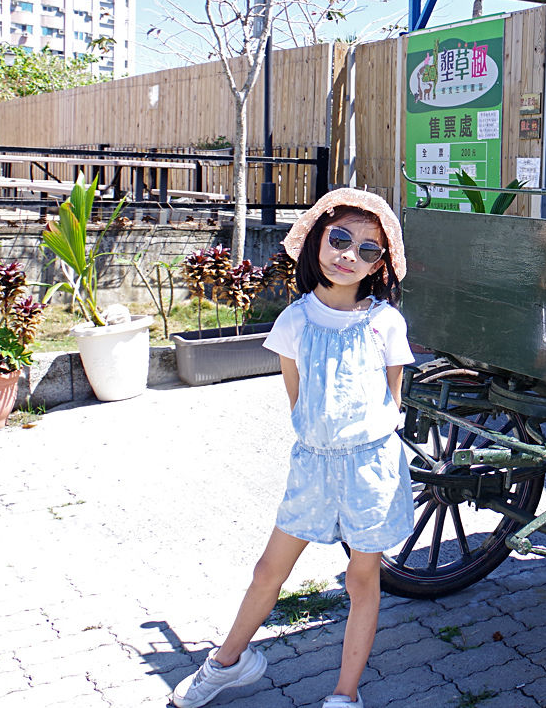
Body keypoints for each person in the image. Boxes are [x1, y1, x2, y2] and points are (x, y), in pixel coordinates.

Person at [171, 188, 415, 708]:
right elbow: (297, 398)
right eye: (341, 239)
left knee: (361, 576)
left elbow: (394, 398)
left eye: (369, 250)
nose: (350, 255)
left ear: (378, 266)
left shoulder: (385, 323)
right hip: (312, 467)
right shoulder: (295, 321)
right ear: (318, 243)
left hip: (370, 467)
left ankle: (344, 695)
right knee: (268, 571)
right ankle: (226, 663)